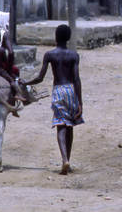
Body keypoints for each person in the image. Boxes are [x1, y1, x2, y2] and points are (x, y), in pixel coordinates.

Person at [21, 24, 84, 175]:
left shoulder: (49, 55)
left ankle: (64, 160)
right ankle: (68, 159)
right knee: (70, 126)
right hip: (71, 91)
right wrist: (80, 102)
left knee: (60, 125)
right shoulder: (74, 55)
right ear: (68, 38)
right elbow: (76, 79)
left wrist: (26, 83)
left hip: (58, 91)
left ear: (55, 37)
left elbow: (40, 78)